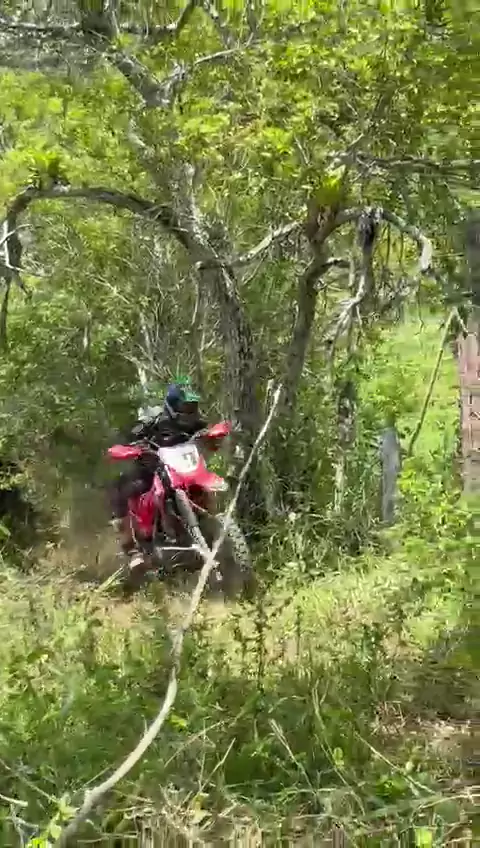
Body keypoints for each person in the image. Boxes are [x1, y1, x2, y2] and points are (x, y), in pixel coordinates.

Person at [109, 378, 207, 572]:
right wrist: (135, 446)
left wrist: (215, 435)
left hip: (186, 469)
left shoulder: (197, 423)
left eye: (192, 406)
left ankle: (213, 528)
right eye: (184, 406)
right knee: (126, 488)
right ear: (172, 406)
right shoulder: (152, 422)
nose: (189, 411)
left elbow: (208, 434)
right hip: (155, 469)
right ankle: (132, 549)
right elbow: (130, 437)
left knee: (207, 485)